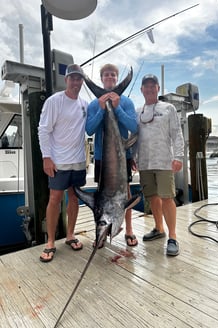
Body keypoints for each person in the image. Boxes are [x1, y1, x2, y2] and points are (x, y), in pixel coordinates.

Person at [38, 64, 88, 262]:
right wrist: (46, 157)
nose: (76, 82)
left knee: (74, 198)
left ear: (82, 81)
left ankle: (70, 235)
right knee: (54, 199)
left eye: (79, 79)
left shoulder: (85, 104)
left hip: (78, 161)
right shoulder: (54, 101)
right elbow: (43, 130)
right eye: (72, 78)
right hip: (58, 161)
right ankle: (50, 242)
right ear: (66, 80)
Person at [86, 63, 138, 247]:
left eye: (113, 75)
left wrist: (116, 107)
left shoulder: (127, 102)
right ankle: (99, 235)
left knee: (126, 193)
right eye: (106, 75)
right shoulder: (94, 104)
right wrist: (102, 108)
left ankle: (129, 230)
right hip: (102, 158)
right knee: (103, 196)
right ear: (102, 79)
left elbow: (134, 126)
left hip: (122, 157)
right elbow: (89, 129)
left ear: (116, 78)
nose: (110, 78)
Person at [134, 74, 184, 256]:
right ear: (141, 89)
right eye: (145, 86)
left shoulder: (168, 108)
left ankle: (173, 236)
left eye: (152, 85)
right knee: (152, 197)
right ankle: (158, 228)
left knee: (167, 197)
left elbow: (177, 134)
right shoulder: (137, 111)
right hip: (144, 162)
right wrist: (133, 156)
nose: (149, 88)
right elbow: (134, 138)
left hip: (164, 161)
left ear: (158, 88)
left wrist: (178, 157)